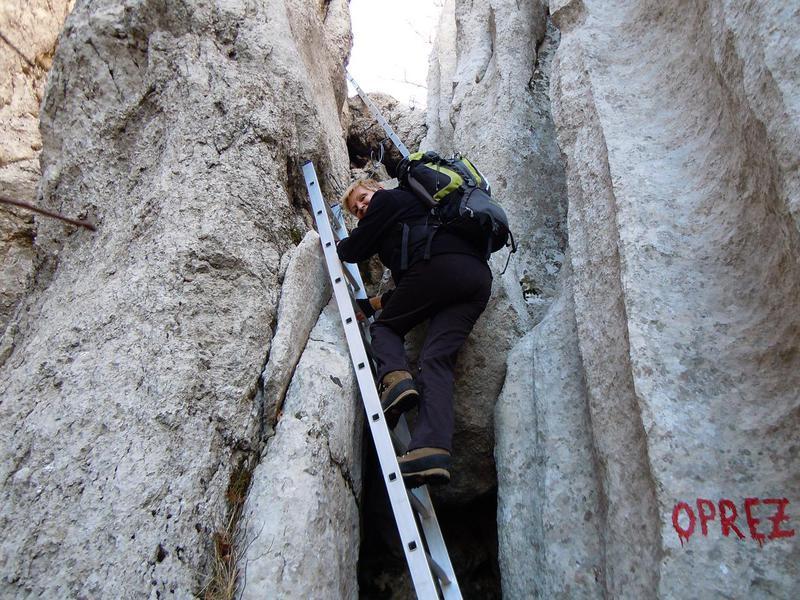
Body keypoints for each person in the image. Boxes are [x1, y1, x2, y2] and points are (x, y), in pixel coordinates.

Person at [336, 178, 492, 487]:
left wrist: (338, 245)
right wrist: (372, 304)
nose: (362, 207)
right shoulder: (414, 213)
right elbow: (415, 288)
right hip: (475, 279)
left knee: (385, 328)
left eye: (363, 198)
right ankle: (431, 449)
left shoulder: (388, 199)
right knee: (435, 360)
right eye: (355, 210)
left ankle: (395, 381)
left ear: (378, 188)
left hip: (438, 267)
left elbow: (353, 250)